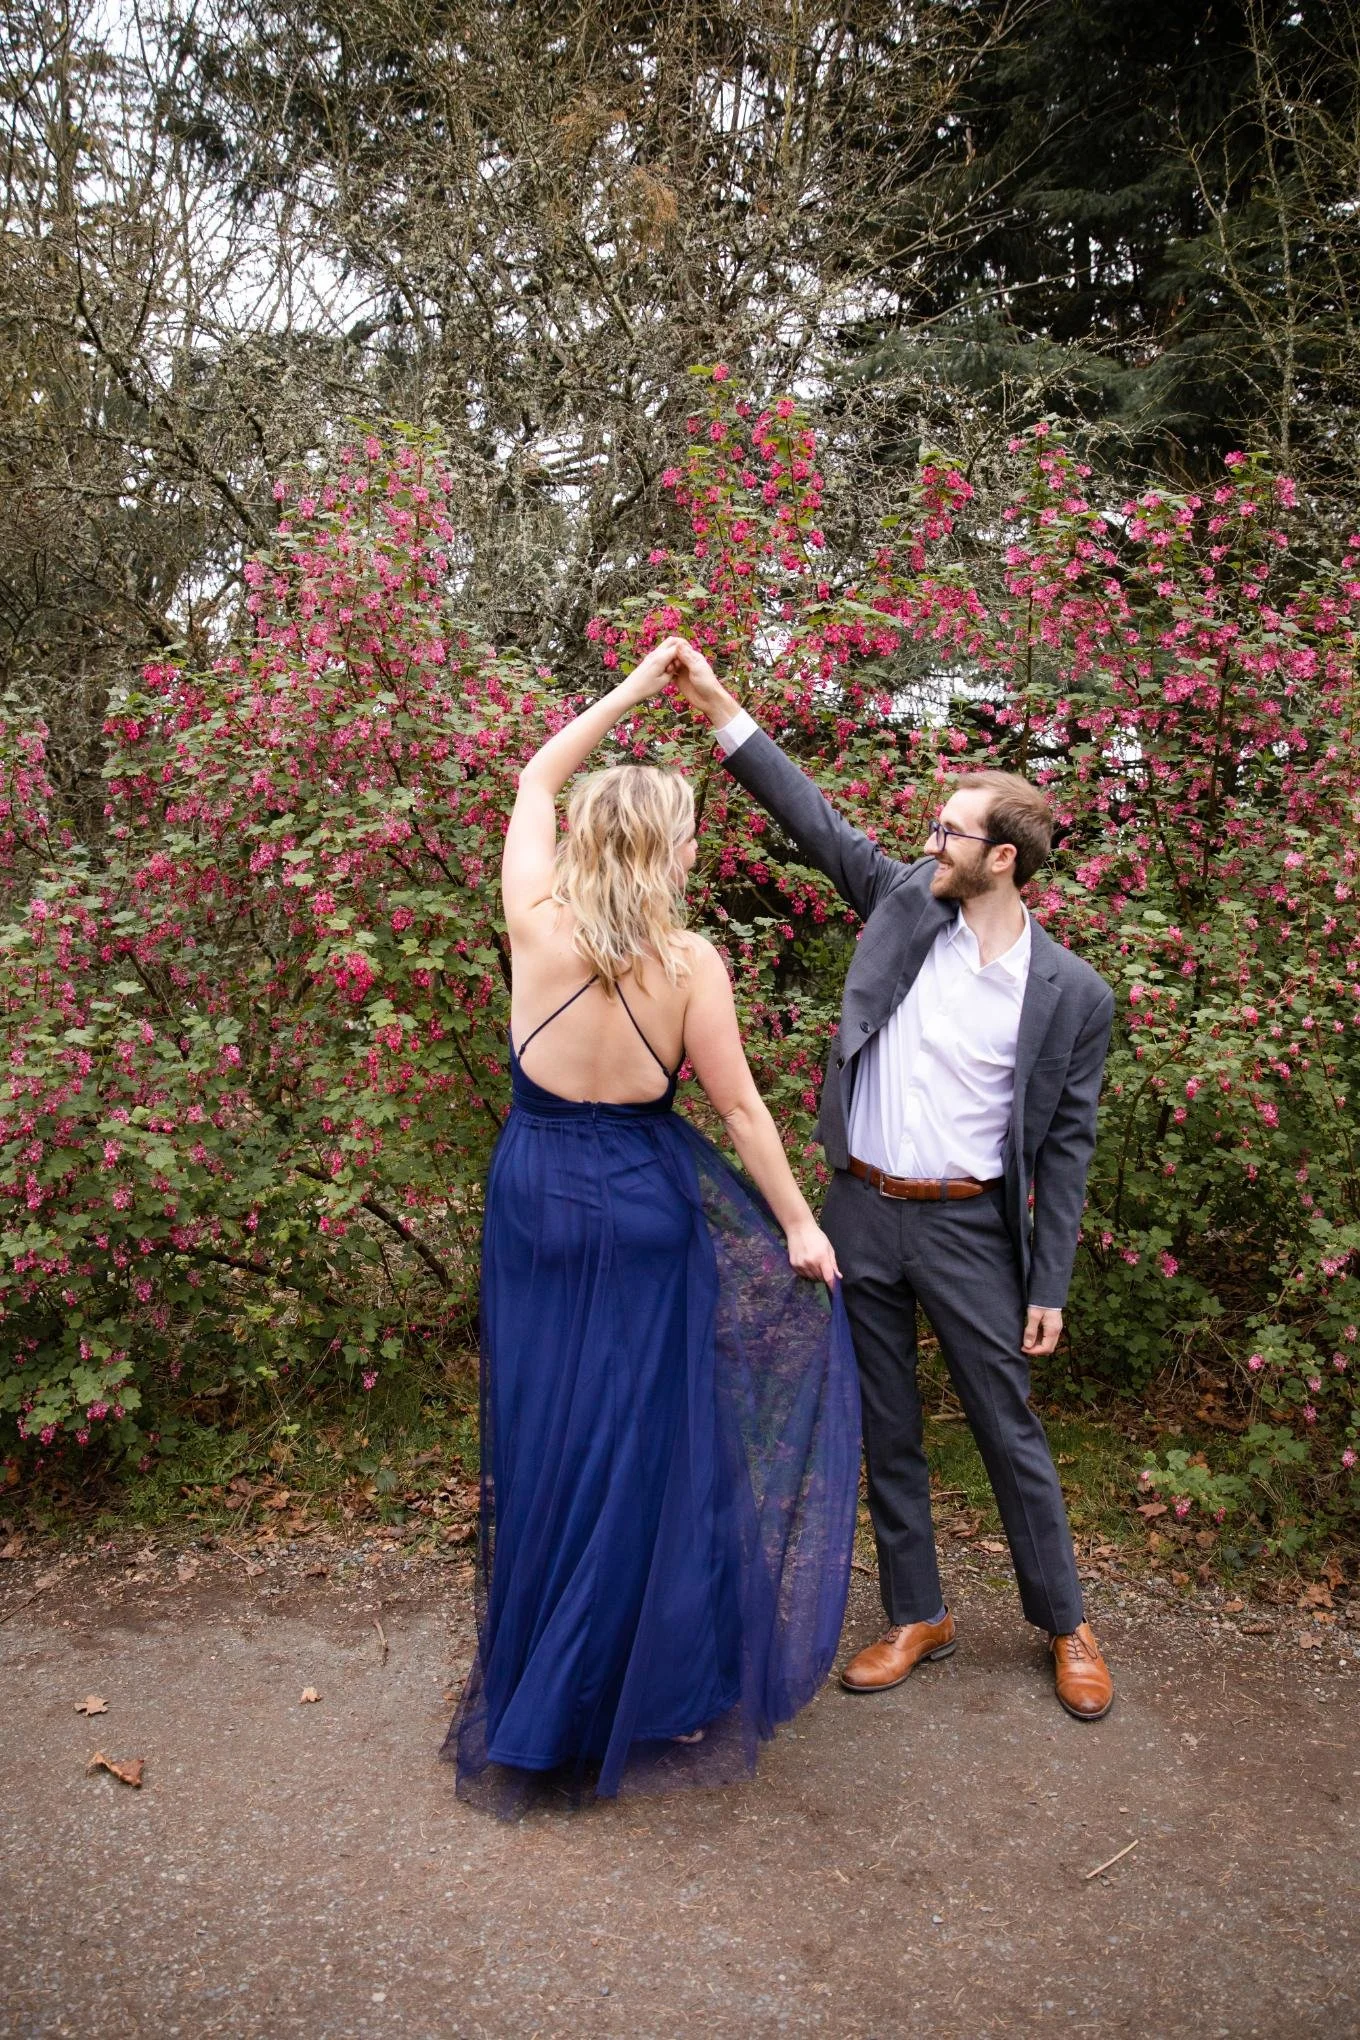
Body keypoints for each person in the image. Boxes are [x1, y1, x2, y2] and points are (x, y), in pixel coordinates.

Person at [443, 637, 861, 1813]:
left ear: (584, 843)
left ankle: (549, 1688)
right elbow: (735, 1107)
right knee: (641, 1446)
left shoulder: (534, 925)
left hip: (534, 1197)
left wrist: (631, 691)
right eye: (686, 834)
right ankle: (634, 1679)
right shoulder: (690, 964)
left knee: (549, 1438)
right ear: (666, 851)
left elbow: (533, 780)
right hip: (638, 1207)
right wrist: (798, 1229)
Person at [673, 640, 1117, 1722]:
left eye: (950, 831)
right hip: (860, 1211)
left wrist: (1047, 1282)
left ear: (1002, 858)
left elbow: (1064, 1148)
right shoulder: (906, 903)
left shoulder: (1070, 995)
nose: (930, 842)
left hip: (969, 1231)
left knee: (1006, 1426)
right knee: (885, 1422)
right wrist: (721, 705)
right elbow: (812, 818)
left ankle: (1064, 1621)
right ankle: (916, 1612)